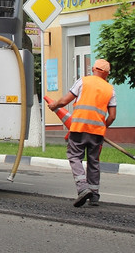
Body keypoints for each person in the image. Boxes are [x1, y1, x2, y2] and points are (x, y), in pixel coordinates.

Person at [46, 58, 116, 207]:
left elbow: (66, 100)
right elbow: (112, 116)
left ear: (93, 69)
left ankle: (82, 188)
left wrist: (54, 105)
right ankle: (94, 195)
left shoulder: (83, 81)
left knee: (74, 156)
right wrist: (103, 127)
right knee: (93, 161)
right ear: (107, 74)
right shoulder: (110, 89)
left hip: (79, 128)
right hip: (97, 132)